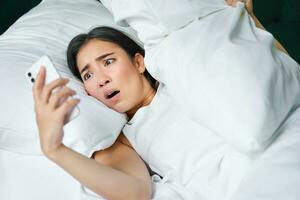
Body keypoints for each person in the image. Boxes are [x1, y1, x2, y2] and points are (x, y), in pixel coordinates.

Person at [32, 0, 289, 199]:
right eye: (88, 74)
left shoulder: (182, 74)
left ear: (139, 62)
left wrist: (250, 23)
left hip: (276, 152)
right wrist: (55, 150)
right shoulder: (125, 139)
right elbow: (135, 193)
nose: (101, 79)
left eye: (108, 62)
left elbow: (284, 77)